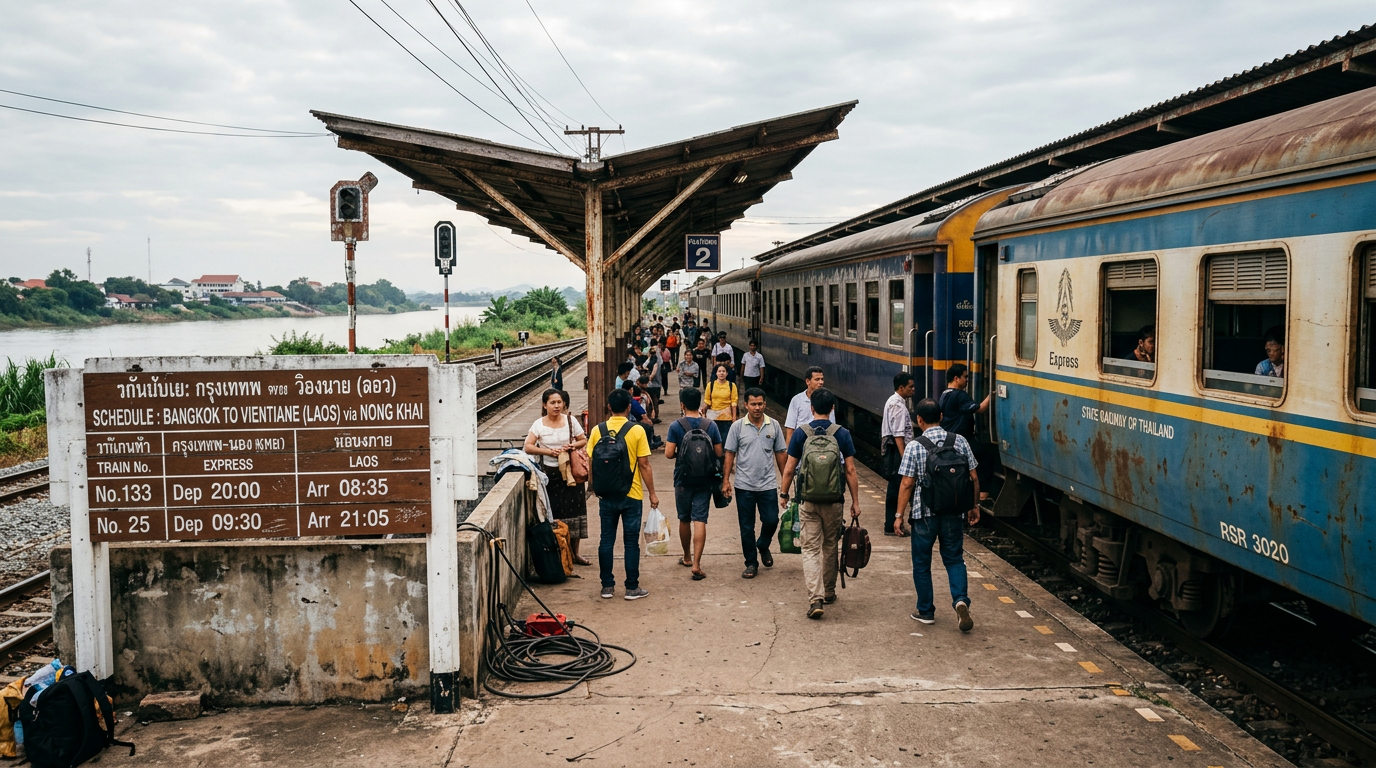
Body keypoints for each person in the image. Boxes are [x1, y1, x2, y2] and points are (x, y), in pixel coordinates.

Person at [894, 398, 980, 631]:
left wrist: (899, 515)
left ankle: (926, 611)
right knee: (954, 559)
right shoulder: (959, 441)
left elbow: (906, 484)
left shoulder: (914, 446)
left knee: (922, 563)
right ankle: (960, 599)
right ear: (941, 417)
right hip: (953, 512)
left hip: (924, 514)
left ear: (919, 420)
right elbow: (973, 477)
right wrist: (974, 506)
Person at [777, 388, 860, 619]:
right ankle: (830, 591)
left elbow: (790, 468)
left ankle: (816, 598)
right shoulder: (841, 434)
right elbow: (850, 470)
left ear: (811, 408)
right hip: (834, 500)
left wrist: (784, 494)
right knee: (830, 544)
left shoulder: (801, 434)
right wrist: (855, 501)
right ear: (832, 408)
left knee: (811, 548)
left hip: (808, 500)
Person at [585, 388, 659, 600]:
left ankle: (607, 587)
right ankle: (631, 587)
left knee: (606, 540)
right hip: (632, 494)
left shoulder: (598, 430)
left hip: (606, 494)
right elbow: (644, 465)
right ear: (629, 407)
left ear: (609, 407)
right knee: (630, 542)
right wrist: (652, 493)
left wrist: (596, 486)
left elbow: (592, 460)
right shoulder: (637, 431)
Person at [722, 388, 787, 579]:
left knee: (771, 520)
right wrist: (726, 480)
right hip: (744, 486)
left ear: (765, 404)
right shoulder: (737, 427)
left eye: (760, 404)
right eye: (753, 404)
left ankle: (763, 545)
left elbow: (781, 454)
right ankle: (751, 563)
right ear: (746, 405)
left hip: (767, 485)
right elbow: (729, 454)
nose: (757, 408)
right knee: (746, 527)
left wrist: (786, 482)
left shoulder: (773, 425)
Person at [523, 389, 590, 565]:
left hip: (571, 473)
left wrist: (571, 446)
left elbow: (583, 440)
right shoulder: (539, 424)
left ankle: (575, 553)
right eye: (552, 403)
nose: (557, 406)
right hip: (549, 475)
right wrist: (548, 452)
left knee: (576, 512)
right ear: (545, 405)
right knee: (554, 513)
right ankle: (559, 553)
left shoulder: (570, 420)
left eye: (559, 402)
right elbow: (528, 447)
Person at [664, 387, 723, 580]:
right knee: (700, 519)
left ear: (682, 404)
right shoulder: (710, 425)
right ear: (700, 404)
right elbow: (719, 452)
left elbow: (668, 453)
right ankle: (697, 564)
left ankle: (687, 557)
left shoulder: (676, 426)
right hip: (705, 479)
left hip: (683, 479)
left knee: (684, 518)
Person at [939, 363, 992, 498]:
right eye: (965, 377)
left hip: (947, 439)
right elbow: (980, 409)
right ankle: (983, 493)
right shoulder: (960, 395)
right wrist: (992, 395)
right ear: (956, 378)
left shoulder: (944, 394)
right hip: (961, 439)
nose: (967, 380)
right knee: (986, 454)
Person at [882, 372, 916, 537]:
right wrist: (904, 458)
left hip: (896, 450)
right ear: (901, 388)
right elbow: (898, 435)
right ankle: (892, 525)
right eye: (910, 387)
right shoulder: (897, 405)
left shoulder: (895, 402)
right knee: (896, 488)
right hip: (897, 450)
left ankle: (893, 523)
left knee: (895, 488)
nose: (913, 389)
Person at [783, 366, 834, 444]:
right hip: (801, 445)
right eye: (817, 379)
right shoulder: (796, 400)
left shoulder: (827, 400)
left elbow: (832, 427)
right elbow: (790, 429)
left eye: (822, 379)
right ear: (808, 381)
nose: (821, 382)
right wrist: (788, 450)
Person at [621, 379, 661, 449]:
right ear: (631, 389)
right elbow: (643, 415)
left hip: (624, 420)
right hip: (631, 422)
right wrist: (649, 422)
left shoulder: (622, 398)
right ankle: (650, 443)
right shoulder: (632, 401)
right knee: (648, 427)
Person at [704, 363, 738, 432]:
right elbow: (707, 401)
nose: (721, 373)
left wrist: (734, 418)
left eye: (723, 371)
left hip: (727, 418)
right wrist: (703, 414)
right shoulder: (710, 385)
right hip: (713, 417)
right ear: (716, 373)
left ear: (727, 373)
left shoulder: (732, 385)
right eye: (719, 371)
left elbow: (734, 403)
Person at [642, 351, 663, 423]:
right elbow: (654, 373)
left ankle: (650, 416)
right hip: (656, 385)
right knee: (655, 402)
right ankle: (655, 416)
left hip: (649, 386)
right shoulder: (656, 363)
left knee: (650, 402)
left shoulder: (649, 364)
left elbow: (644, 366)